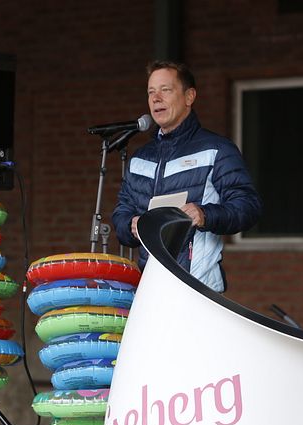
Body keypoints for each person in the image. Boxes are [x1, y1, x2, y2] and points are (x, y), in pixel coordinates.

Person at [112, 60, 262, 292]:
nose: (156, 98)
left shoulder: (217, 150)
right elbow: (121, 213)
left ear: (189, 96)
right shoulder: (140, 158)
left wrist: (205, 215)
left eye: (166, 90)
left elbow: (248, 207)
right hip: (149, 289)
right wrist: (130, 225)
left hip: (199, 289)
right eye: (151, 92)